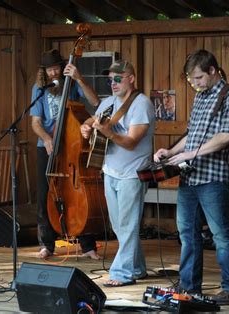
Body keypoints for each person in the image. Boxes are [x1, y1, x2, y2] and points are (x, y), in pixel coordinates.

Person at [154, 49, 229, 305]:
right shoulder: (201, 97)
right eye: (191, 79)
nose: (194, 84)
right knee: (187, 233)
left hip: (214, 178)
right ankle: (189, 286)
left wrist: (191, 153)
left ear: (213, 71)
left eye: (198, 78)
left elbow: (227, 136)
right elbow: (192, 134)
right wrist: (171, 151)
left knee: (221, 235)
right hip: (191, 178)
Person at [80, 60, 154, 286]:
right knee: (119, 225)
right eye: (110, 79)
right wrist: (85, 126)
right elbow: (92, 121)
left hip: (133, 173)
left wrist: (109, 133)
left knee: (128, 224)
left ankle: (121, 272)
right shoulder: (108, 103)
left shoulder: (141, 104)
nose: (113, 83)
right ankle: (138, 268)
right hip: (110, 171)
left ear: (131, 78)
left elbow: (131, 142)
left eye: (118, 78)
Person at [30, 49, 102, 260]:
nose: (53, 72)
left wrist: (79, 79)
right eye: (49, 69)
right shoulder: (39, 88)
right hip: (47, 146)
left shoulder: (71, 85)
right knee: (44, 194)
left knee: (79, 193)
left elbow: (95, 102)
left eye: (56, 68)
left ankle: (87, 244)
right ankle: (46, 243)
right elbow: (35, 122)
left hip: (71, 143)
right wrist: (46, 138)